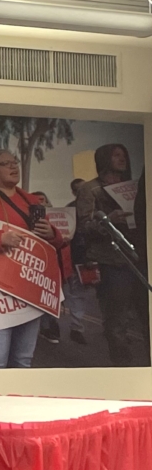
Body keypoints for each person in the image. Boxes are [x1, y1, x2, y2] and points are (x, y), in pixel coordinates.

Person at [0, 150, 63, 369]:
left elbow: (54, 243)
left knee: (23, 359)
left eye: (15, 162)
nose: (13, 166)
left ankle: (16, 401)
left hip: (29, 287)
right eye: (6, 164)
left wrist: (52, 234)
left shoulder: (31, 202)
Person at [76, 144, 149, 366]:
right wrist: (108, 221)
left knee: (147, 318)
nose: (122, 158)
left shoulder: (137, 187)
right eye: (116, 155)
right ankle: (122, 368)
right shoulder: (91, 189)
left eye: (124, 154)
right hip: (112, 261)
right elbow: (82, 226)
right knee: (117, 322)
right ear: (105, 159)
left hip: (141, 259)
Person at [31, 191, 84, 346]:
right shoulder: (33, 221)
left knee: (58, 298)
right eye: (37, 201)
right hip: (41, 266)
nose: (41, 203)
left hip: (61, 266)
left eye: (43, 200)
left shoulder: (63, 217)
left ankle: (51, 325)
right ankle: (47, 326)